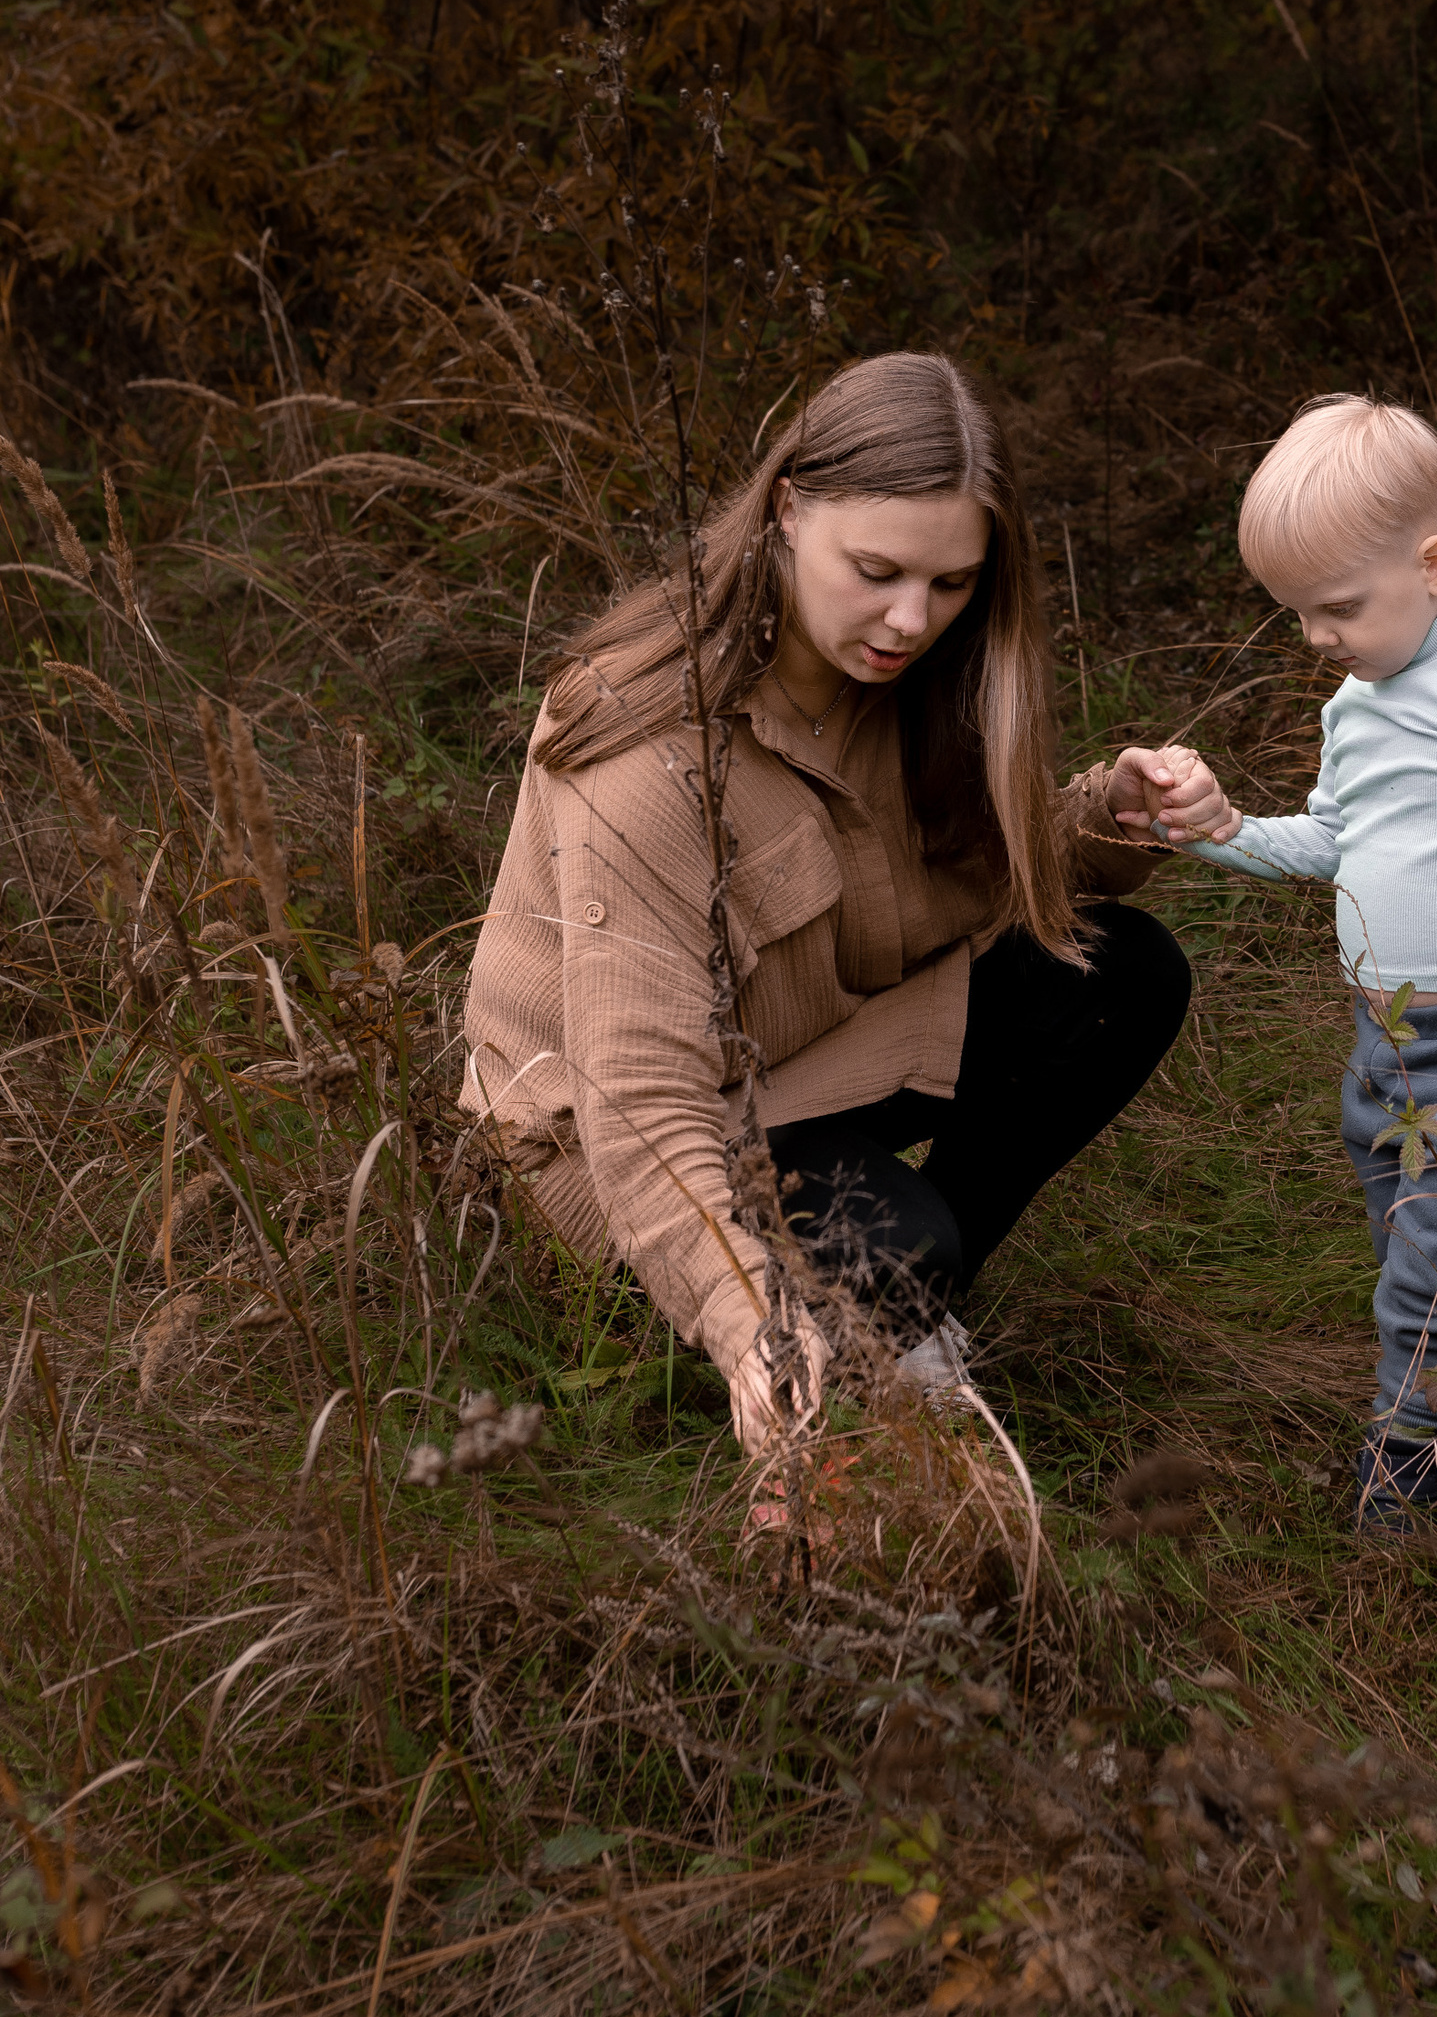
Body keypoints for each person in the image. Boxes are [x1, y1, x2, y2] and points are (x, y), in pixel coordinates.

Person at [462, 351, 1194, 1482]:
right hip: (608, 1137)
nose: (912, 617)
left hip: (802, 1055)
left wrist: (1113, 815)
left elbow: (965, 878)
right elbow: (640, 1093)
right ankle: (815, 1332)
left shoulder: (921, 678)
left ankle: (893, 1320)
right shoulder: (645, 741)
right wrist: (735, 1306)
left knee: (1123, 974)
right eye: (878, 569)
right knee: (898, 1247)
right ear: (790, 510)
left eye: (951, 584)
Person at [1122, 394, 1437, 1530]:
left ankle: (1403, 1493)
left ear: (1433, 564)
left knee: (1433, 1277)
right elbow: (1332, 839)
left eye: (1337, 606)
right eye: (1297, 613)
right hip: (1386, 1046)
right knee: (1430, 1258)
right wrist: (1223, 830)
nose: (1316, 637)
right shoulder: (1360, 702)